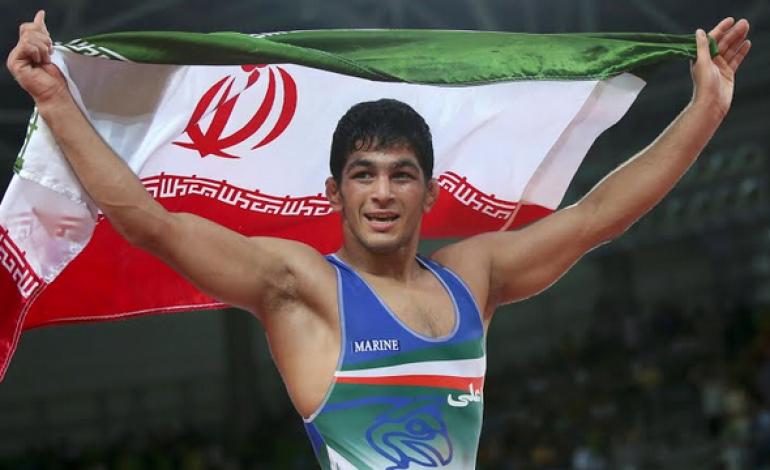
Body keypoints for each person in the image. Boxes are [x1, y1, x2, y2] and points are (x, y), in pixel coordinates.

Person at [7, 10, 751, 469]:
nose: (383, 193)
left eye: (402, 175)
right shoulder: (301, 286)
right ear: (334, 194)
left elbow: (597, 216)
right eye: (363, 175)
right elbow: (150, 222)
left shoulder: (474, 276)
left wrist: (704, 114)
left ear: (431, 193)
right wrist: (57, 100)